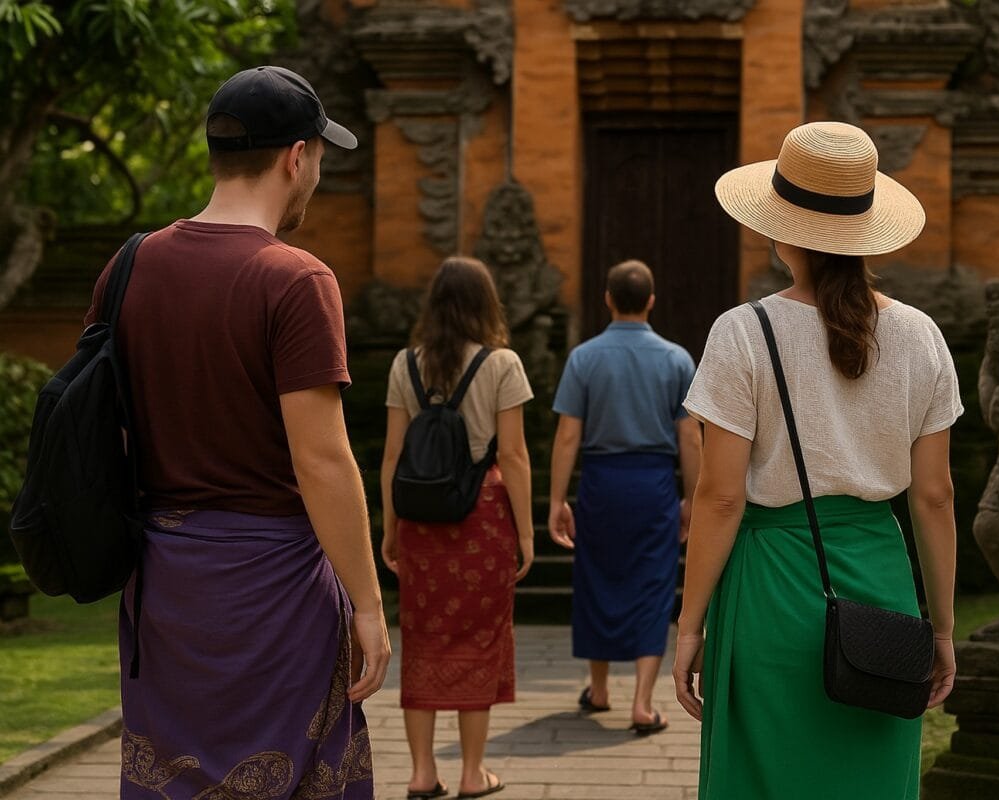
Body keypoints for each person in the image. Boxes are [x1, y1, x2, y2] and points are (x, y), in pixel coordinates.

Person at [85, 66, 390, 798]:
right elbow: (322, 460)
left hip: (165, 584)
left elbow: (108, 432)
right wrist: (370, 604)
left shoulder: (129, 267)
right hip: (274, 581)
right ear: (297, 157)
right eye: (319, 157)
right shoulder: (294, 279)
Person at [672, 121, 961, 799]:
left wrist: (689, 627)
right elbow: (935, 497)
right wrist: (943, 630)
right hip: (881, 582)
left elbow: (720, 497)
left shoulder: (743, 333)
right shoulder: (921, 337)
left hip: (770, 584)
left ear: (781, 231)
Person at [381, 256, 536, 800]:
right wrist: (526, 534)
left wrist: (389, 527)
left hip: (421, 522)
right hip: (482, 520)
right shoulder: (502, 364)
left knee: (422, 639)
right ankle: (473, 774)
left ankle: (422, 774)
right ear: (486, 304)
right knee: (481, 638)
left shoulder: (405, 363)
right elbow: (513, 456)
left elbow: (393, 455)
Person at [548, 260, 701, 735]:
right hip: (654, 483)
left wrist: (557, 499)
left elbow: (568, 435)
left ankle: (598, 689)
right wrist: (692, 498)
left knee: (597, 578)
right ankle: (642, 703)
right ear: (651, 301)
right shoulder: (677, 359)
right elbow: (690, 437)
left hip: (601, 481)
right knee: (653, 584)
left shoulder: (584, 358)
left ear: (608, 300)